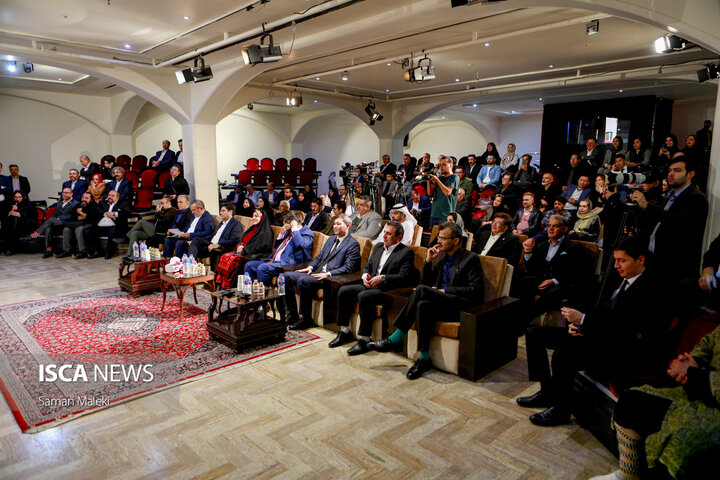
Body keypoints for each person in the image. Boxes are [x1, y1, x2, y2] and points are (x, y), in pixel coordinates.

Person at [517, 237, 670, 427]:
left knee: (562, 356)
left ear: (640, 260)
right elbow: (602, 311)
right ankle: (546, 392)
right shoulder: (620, 278)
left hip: (620, 347)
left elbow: (627, 328)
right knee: (535, 335)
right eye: (615, 260)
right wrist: (581, 324)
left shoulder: (652, 289)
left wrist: (584, 321)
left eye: (622, 260)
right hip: (597, 333)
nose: (616, 266)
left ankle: (560, 410)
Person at [368, 222, 485, 379]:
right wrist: (429, 261)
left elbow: (475, 291)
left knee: (421, 291)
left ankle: (396, 337)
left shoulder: (471, 259)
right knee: (423, 305)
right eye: (439, 237)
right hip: (438, 303)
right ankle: (424, 359)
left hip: (460, 306)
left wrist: (446, 290)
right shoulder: (441, 256)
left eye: (443, 238)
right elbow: (426, 283)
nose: (439, 241)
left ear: (456, 240)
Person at [332, 221, 419, 355]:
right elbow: (367, 266)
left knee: (364, 296)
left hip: (387, 290)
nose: (384, 236)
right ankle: (344, 331)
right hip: (370, 284)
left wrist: (383, 278)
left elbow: (404, 276)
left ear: (398, 237)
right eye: (384, 232)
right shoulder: (378, 247)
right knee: (344, 290)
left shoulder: (406, 252)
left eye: (389, 234)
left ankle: (365, 339)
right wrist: (365, 275)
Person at [631, 156, 708, 280]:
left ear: (690, 174)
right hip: (654, 263)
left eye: (677, 170)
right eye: (670, 170)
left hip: (676, 270)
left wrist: (647, 206)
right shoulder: (669, 197)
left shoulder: (697, 198)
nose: (671, 174)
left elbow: (678, 222)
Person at [284, 214, 361, 330]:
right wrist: (310, 267)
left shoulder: (353, 244)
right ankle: (292, 313)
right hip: (317, 272)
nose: (335, 226)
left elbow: (349, 267)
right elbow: (319, 257)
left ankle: (306, 319)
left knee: (303, 280)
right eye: (334, 224)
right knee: (286, 276)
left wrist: (328, 274)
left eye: (339, 224)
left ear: (348, 226)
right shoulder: (331, 239)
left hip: (330, 278)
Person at [515, 215, 590, 322]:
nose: (550, 229)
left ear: (564, 229)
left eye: (555, 226)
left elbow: (575, 272)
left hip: (561, 283)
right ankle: (518, 317)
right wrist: (528, 252)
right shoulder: (542, 245)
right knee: (521, 282)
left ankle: (524, 320)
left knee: (551, 294)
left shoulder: (573, 247)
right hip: (542, 280)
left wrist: (553, 281)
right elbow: (533, 269)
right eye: (549, 226)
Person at [244, 212, 313, 286]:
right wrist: (281, 234)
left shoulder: (307, 232)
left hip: (288, 263)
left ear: (292, 223)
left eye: (285, 224)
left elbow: (300, 244)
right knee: (249, 265)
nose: (284, 226)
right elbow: (276, 246)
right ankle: (251, 292)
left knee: (262, 267)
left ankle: (263, 294)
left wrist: (294, 229)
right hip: (274, 261)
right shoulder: (288, 232)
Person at [215, 208, 274, 290]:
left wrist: (244, 249)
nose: (253, 218)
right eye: (253, 216)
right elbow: (243, 239)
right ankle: (220, 285)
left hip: (251, 255)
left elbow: (260, 247)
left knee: (230, 259)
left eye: (256, 216)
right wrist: (240, 245)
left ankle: (229, 287)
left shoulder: (266, 232)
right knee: (224, 257)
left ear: (263, 217)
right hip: (243, 251)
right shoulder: (252, 228)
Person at [30, 187, 78, 258]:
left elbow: (72, 216)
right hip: (58, 223)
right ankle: (48, 250)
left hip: (68, 223)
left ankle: (37, 232)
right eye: (63, 192)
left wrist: (59, 218)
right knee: (48, 228)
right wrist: (57, 219)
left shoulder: (75, 203)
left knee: (50, 220)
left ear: (71, 194)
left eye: (66, 193)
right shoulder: (60, 203)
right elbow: (55, 215)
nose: (64, 194)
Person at [86, 189, 130, 259]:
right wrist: (106, 213)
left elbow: (127, 213)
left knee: (112, 231)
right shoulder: (102, 202)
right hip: (100, 225)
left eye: (113, 196)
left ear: (117, 197)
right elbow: (96, 209)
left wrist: (114, 213)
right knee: (89, 230)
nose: (110, 197)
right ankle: (97, 251)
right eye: (109, 195)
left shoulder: (123, 203)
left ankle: (109, 252)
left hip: (114, 225)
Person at [64, 191, 102, 259]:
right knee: (66, 229)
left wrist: (81, 213)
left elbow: (91, 217)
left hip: (90, 224)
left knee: (79, 229)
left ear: (91, 199)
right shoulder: (78, 205)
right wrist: (84, 216)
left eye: (86, 198)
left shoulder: (94, 206)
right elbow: (73, 216)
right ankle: (66, 250)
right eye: (83, 197)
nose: (84, 199)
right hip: (78, 223)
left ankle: (82, 251)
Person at [2, 190, 38, 255]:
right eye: (15, 197)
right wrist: (11, 211)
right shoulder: (12, 205)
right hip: (14, 225)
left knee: (15, 222)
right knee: (9, 225)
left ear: (23, 197)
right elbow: (5, 216)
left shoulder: (29, 205)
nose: (17, 199)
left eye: (19, 197)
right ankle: (7, 248)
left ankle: (10, 248)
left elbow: (31, 218)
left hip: (27, 224)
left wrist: (19, 214)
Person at [428, 157, 459, 227]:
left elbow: (447, 192)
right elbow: (430, 193)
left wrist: (437, 180)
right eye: (440, 165)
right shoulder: (441, 178)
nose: (441, 167)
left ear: (451, 166)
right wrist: (428, 181)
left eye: (444, 165)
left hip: (446, 215)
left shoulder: (454, 177)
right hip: (434, 213)